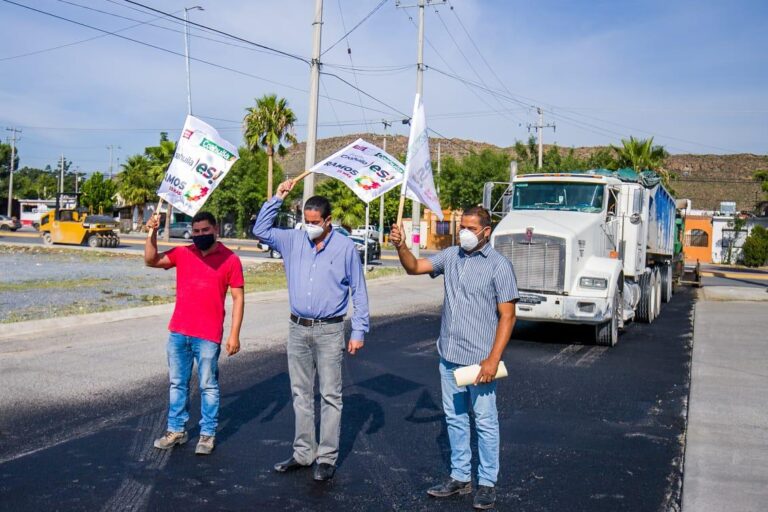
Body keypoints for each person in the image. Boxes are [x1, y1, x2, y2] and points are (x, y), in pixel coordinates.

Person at [389, 206, 519, 510]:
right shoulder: (451, 256)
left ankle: (487, 482)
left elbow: (508, 316)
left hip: (480, 361)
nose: (464, 233)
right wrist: (401, 246)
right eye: (462, 226)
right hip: (449, 355)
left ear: (486, 232)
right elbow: (414, 267)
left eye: (471, 228)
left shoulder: (500, 266)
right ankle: (461, 477)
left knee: (485, 421)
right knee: (455, 417)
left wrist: (492, 360)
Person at [252, 179, 369, 482]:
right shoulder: (293, 239)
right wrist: (277, 197)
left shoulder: (345, 248)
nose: (310, 226)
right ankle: (304, 452)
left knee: (330, 395)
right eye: (306, 221)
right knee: (300, 393)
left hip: (330, 331)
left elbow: (359, 290)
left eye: (315, 222)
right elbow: (260, 231)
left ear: (328, 221)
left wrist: (359, 330)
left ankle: (327, 457)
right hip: (297, 329)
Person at [144, 210, 244, 455]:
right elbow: (151, 260)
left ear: (215, 230)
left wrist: (234, 335)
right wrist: (152, 232)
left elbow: (238, 298)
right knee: (177, 383)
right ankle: (176, 430)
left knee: (208, 386)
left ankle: (207, 435)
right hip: (179, 331)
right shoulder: (183, 253)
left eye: (205, 231)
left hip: (208, 335)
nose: (200, 235)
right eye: (196, 231)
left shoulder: (230, 259)